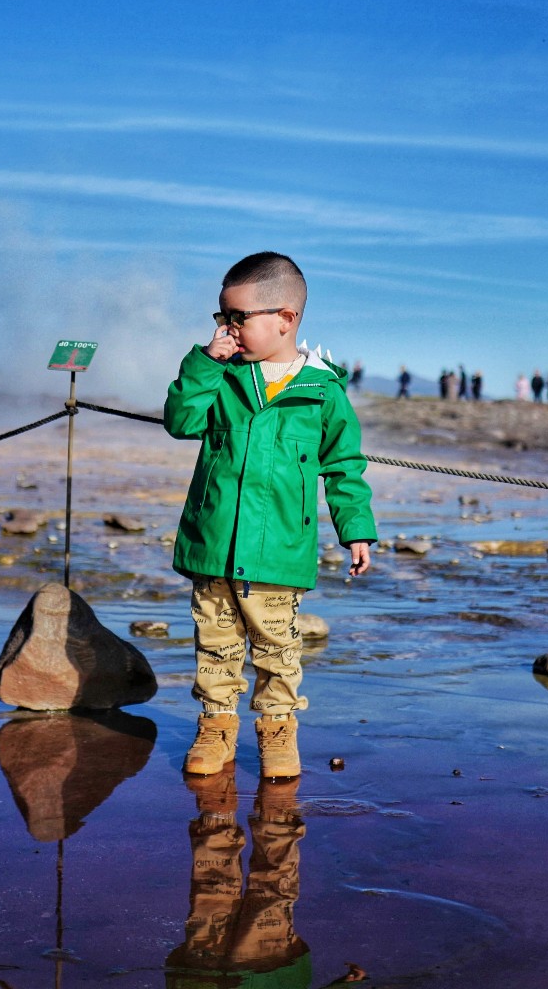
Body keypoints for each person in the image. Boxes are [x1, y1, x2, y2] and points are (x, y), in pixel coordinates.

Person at [166, 251, 376, 782]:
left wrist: (356, 531)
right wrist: (205, 362)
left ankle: (278, 730)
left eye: (238, 318)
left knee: (278, 649)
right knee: (215, 644)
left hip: (279, 551)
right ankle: (216, 726)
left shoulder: (322, 393)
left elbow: (345, 466)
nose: (227, 329)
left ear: (286, 319)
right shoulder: (222, 376)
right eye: (222, 317)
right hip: (214, 542)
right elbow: (181, 420)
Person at [168, 772, 309, 988]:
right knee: (251, 893)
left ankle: (220, 784)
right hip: (267, 968)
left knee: (222, 893)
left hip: (213, 972)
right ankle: (271, 790)